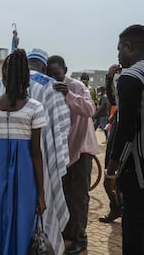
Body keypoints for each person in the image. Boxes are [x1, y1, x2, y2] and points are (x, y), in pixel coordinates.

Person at [0, 49, 46, 254]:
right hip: (26, 172)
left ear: (5, 77)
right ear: (26, 77)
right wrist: (41, 194)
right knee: (21, 220)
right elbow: (36, 152)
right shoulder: (34, 107)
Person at [46, 55, 99, 254]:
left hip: (81, 151)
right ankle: (68, 231)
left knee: (78, 196)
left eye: (57, 75)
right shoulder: (48, 90)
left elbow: (89, 109)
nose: (54, 79)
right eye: (50, 75)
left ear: (65, 70)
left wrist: (68, 93)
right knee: (65, 193)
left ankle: (80, 238)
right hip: (62, 151)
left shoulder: (77, 87)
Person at [26, 48, 71, 255]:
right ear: (43, 66)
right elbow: (63, 126)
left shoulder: (3, 82)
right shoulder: (50, 85)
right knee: (43, 201)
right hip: (43, 156)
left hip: (13, 156)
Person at [106, 24, 144, 254]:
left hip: (137, 170)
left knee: (135, 232)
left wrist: (112, 170)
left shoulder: (131, 77)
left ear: (129, 46)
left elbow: (127, 128)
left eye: (119, 49)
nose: (118, 55)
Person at [99, 64, 123, 223]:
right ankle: (116, 209)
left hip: (127, 143)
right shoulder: (124, 78)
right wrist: (109, 78)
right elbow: (114, 99)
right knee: (110, 182)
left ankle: (119, 210)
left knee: (115, 181)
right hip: (116, 139)